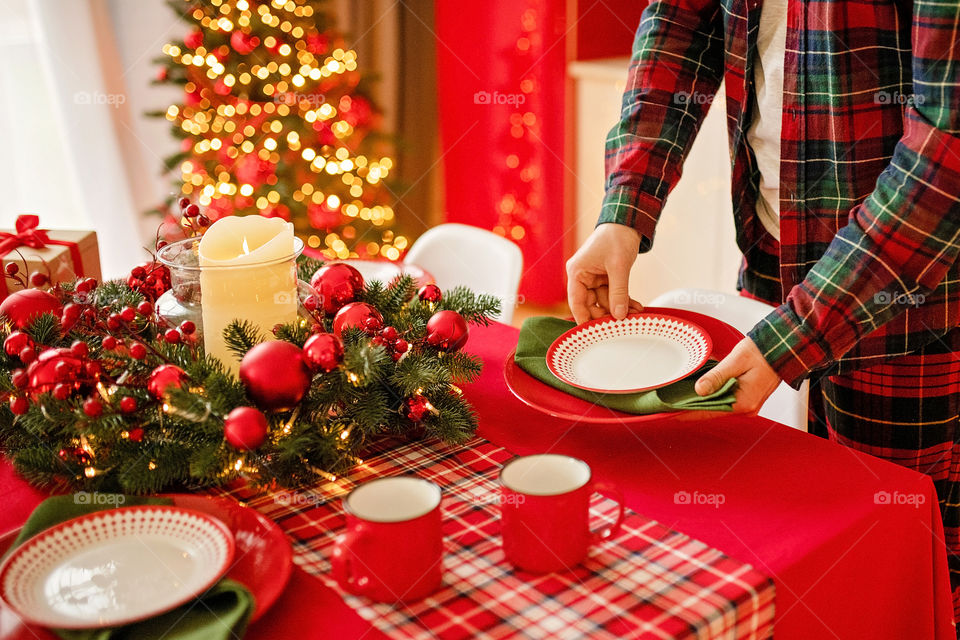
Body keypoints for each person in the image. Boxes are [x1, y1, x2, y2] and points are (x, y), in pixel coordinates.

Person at [565, 0, 960, 620]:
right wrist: (626, 204)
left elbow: (947, 150)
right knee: (780, 552)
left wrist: (804, 328)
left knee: (892, 576)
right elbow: (680, 22)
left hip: (911, 311)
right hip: (771, 265)